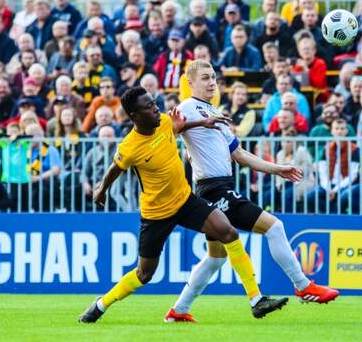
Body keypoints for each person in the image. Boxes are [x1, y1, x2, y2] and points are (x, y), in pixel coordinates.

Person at [78, 86, 288, 323]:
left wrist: (202, 123)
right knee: (144, 274)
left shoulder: (163, 121)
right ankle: (101, 304)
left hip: (186, 201)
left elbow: (177, 126)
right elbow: (115, 168)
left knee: (228, 232)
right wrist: (102, 189)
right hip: (156, 214)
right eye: (148, 107)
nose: (156, 109)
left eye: (154, 103)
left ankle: (256, 300)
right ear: (134, 116)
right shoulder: (129, 147)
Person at [164, 60, 338, 322]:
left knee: (215, 258)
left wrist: (277, 169)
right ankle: (303, 285)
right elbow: (166, 130)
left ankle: (178, 310)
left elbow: (240, 154)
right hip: (213, 190)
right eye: (205, 78)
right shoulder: (187, 108)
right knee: (274, 227)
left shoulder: (215, 112)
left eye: (213, 77)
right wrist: (198, 123)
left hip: (221, 187)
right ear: (190, 82)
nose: (212, 82)